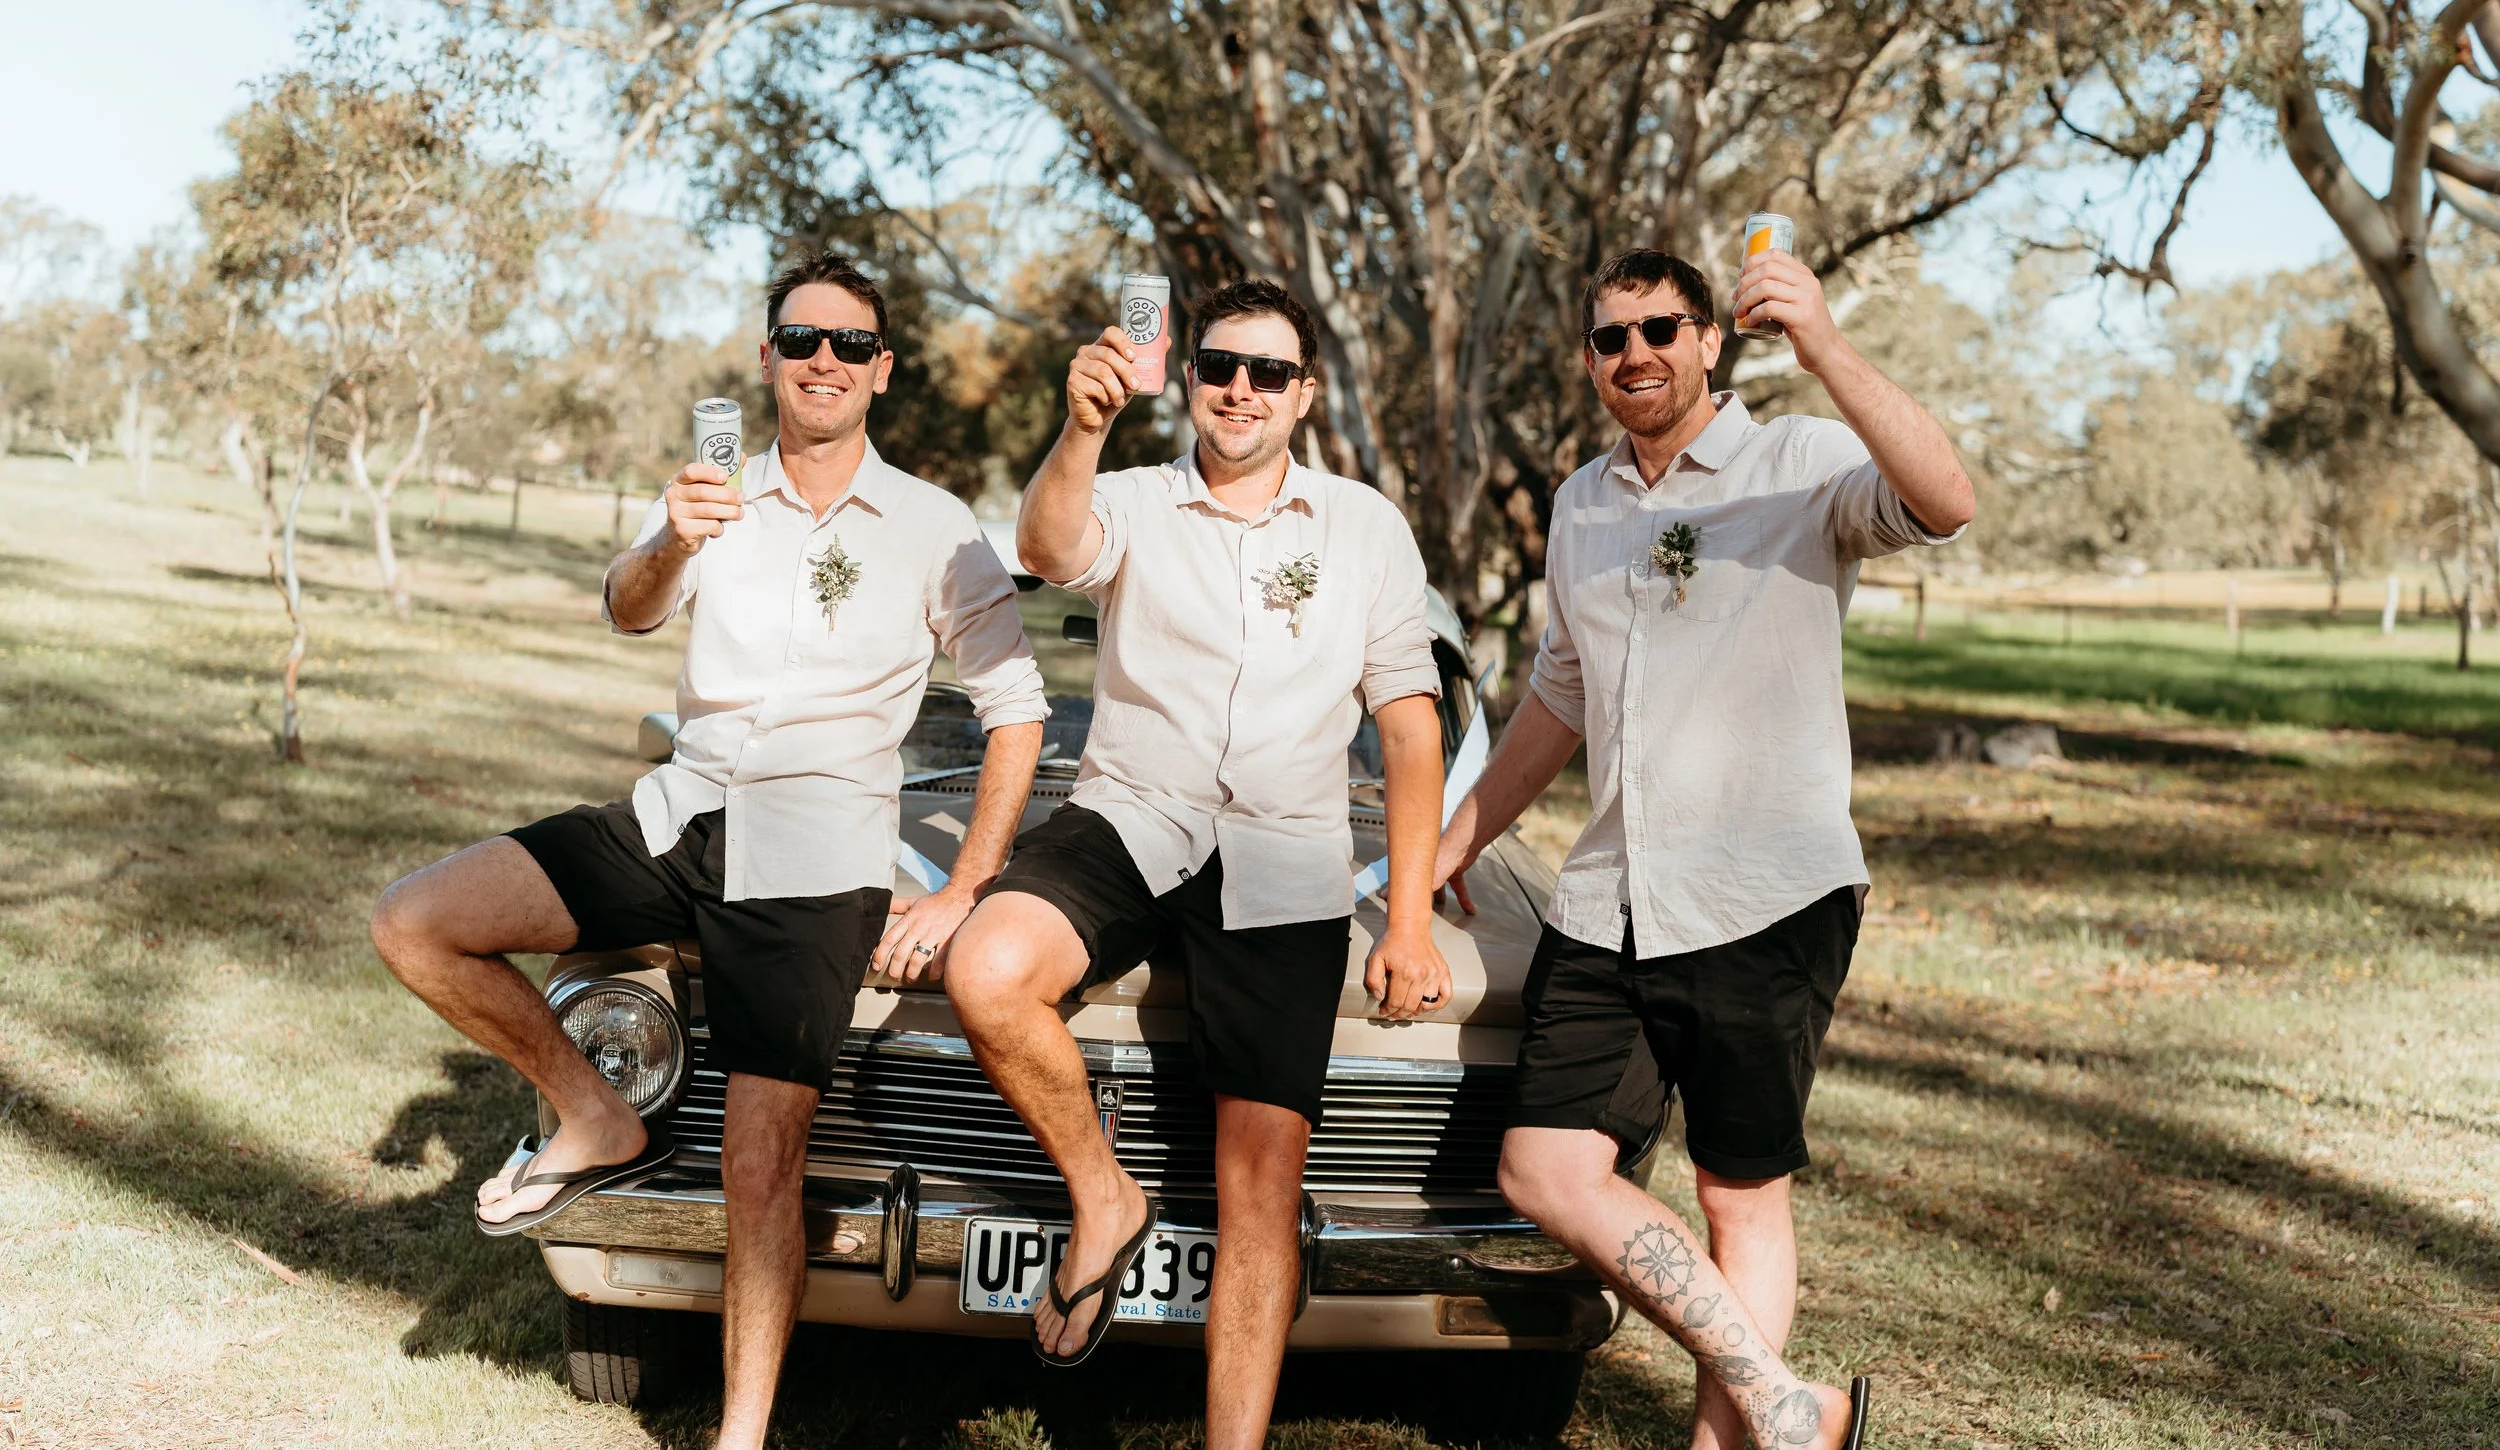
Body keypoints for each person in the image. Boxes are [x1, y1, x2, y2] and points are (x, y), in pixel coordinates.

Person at [369, 250, 1048, 1450]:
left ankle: (739, 1434)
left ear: (883, 369)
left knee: (758, 1165)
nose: (825, 360)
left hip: (817, 857)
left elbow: (1016, 707)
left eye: (849, 343)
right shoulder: (710, 488)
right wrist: (674, 542)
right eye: (802, 340)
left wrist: (964, 883)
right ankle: (595, 1114)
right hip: (677, 816)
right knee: (414, 919)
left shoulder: (936, 526)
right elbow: (626, 607)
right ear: (768, 357)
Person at [1434, 247, 1973, 1450]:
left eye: (1660, 329)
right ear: (1589, 358)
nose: (1635, 353)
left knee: (1739, 1193)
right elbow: (1558, 696)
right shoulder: (1581, 504)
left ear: (1708, 339)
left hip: (1763, 892)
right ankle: (1787, 1403)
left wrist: (1823, 341)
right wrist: (1453, 839)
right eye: (1610, 336)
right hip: (1608, 895)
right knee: (1543, 1169)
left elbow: (1946, 501)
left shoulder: (1800, 463)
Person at [935, 279, 1453, 1447]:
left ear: (1304, 394)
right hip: (1130, 815)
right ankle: (1104, 1193)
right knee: (987, 967)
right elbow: (1046, 546)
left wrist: (1410, 919)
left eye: (1269, 372)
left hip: (1285, 849)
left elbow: (1410, 725)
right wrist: (1083, 423)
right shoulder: (1130, 494)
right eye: (1221, 365)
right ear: (1191, 376)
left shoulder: (1364, 526)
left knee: (1258, 1188)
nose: (1240, 389)